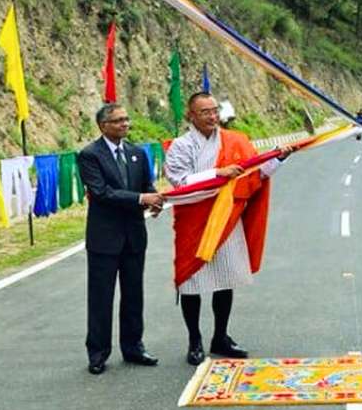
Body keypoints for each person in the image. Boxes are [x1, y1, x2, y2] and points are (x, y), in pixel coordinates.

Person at [165, 92, 295, 365]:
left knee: (225, 280)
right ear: (191, 115)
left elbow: (255, 174)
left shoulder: (236, 141)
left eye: (214, 111)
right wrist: (217, 174)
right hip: (195, 221)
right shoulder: (181, 145)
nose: (212, 116)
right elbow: (180, 182)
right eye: (205, 112)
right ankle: (195, 340)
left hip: (228, 220)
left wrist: (278, 159)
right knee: (192, 282)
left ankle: (220, 336)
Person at [77, 102, 165, 374]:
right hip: (104, 238)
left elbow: (146, 186)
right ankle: (98, 352)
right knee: (101, 297)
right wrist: (141, 198)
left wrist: (154, 201)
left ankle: (133, 347)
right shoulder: (90, 155)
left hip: (134, 236)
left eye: (127, 119)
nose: (125, 124)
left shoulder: (138, 153)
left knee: (133, 295)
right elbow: (101, 193)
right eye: (118, 121)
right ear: (104, 126)